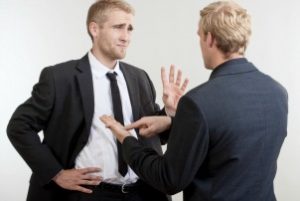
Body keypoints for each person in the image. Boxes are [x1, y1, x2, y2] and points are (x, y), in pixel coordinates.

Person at [100, 1, 288, 201]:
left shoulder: (198, 102)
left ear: (209, 38)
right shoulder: (277, 92)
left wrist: (126, 139)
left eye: (199, 35)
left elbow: (168, 179)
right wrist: (174, 123)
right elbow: (231, 137)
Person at [6, 0, 188, 201]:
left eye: (130, 29)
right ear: (94, 29)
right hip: (87, 194)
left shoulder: (139, 77)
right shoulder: (59, 78)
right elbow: (19, 126)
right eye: (118, 27)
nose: (126, 36)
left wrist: (170, 112)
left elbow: (152, 135)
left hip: (142, 193)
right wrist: (55, 173)